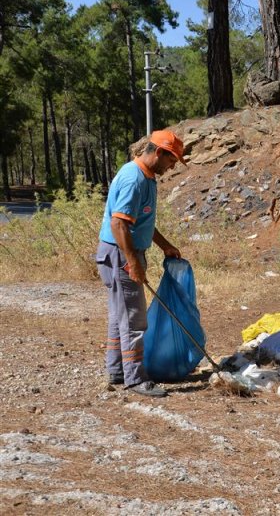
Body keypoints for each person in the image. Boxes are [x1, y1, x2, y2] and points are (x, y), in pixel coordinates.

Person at [95, 130, 185, 397]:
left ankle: (117, 371)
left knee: (119, 315)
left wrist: (165, 245)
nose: (171, 168)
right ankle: (135, 379)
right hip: (120, 254)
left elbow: (141, 221)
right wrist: (133, 263)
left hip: (124, 252)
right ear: (158, 153)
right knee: (134, 319)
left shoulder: (148, 178)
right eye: (171, 161)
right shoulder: (134, 179)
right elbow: (118, 223)